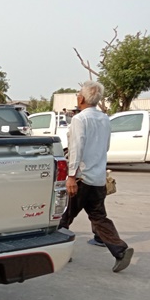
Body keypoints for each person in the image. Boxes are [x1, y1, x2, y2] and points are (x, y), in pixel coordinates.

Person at [58, 80, 134, 273]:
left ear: (81, 98)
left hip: (81, 178)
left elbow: (76, 149)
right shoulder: (104, 119)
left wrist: (71, 176)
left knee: (63, 216)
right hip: (98, 177)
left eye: (78, 94)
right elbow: (105, 147)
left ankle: (59, 252)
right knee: (99, 217)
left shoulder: (79, 119)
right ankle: (120, 250)